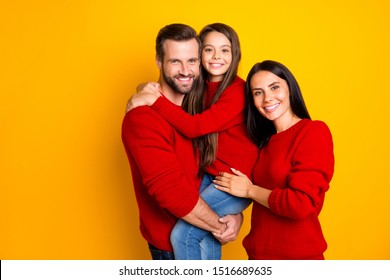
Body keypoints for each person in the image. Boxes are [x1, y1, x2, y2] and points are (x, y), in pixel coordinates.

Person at [126, 23, 259, 259]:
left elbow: (196, 128)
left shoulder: (196, 102)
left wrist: (234, 215)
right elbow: (172, 193)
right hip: (169, 246)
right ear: (159, 61)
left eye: (191, 61)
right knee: (183, 235)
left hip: (221, 190)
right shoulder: (145, 119)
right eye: (175, 61)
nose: (185, 70)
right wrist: (220, 225)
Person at [213, 60, 335, 260]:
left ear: (290, 88)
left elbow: (299, 204)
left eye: (274, 87)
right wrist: (237, 216)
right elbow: (265, 201)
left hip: (296, 258)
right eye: (258, 92)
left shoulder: (313, 132)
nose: (267, 98)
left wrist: (249, 189)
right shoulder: (265, 142)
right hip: (259, 257)